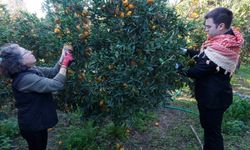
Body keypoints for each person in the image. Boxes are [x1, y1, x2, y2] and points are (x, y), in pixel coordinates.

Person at [179, 7, 244, 150]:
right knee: (209, 130)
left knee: (213, 133)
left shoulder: (221, 47)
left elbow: (197, 71)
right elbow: (204, 55)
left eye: (208, 26)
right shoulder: (223, 42)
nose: (206, 29)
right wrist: (186, 51)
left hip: (213, 99)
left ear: (220, 26)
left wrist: (178, 68)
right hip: (214, 96)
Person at [0, 43, 74, 150]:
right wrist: (65, 64)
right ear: (20, 61)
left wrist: (63, 56)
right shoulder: (25, 79)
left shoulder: (30, 69)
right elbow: (57, 84)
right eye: (25, 52)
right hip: (33, 126)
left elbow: (53, 72)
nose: (30, 51)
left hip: (38, 122)